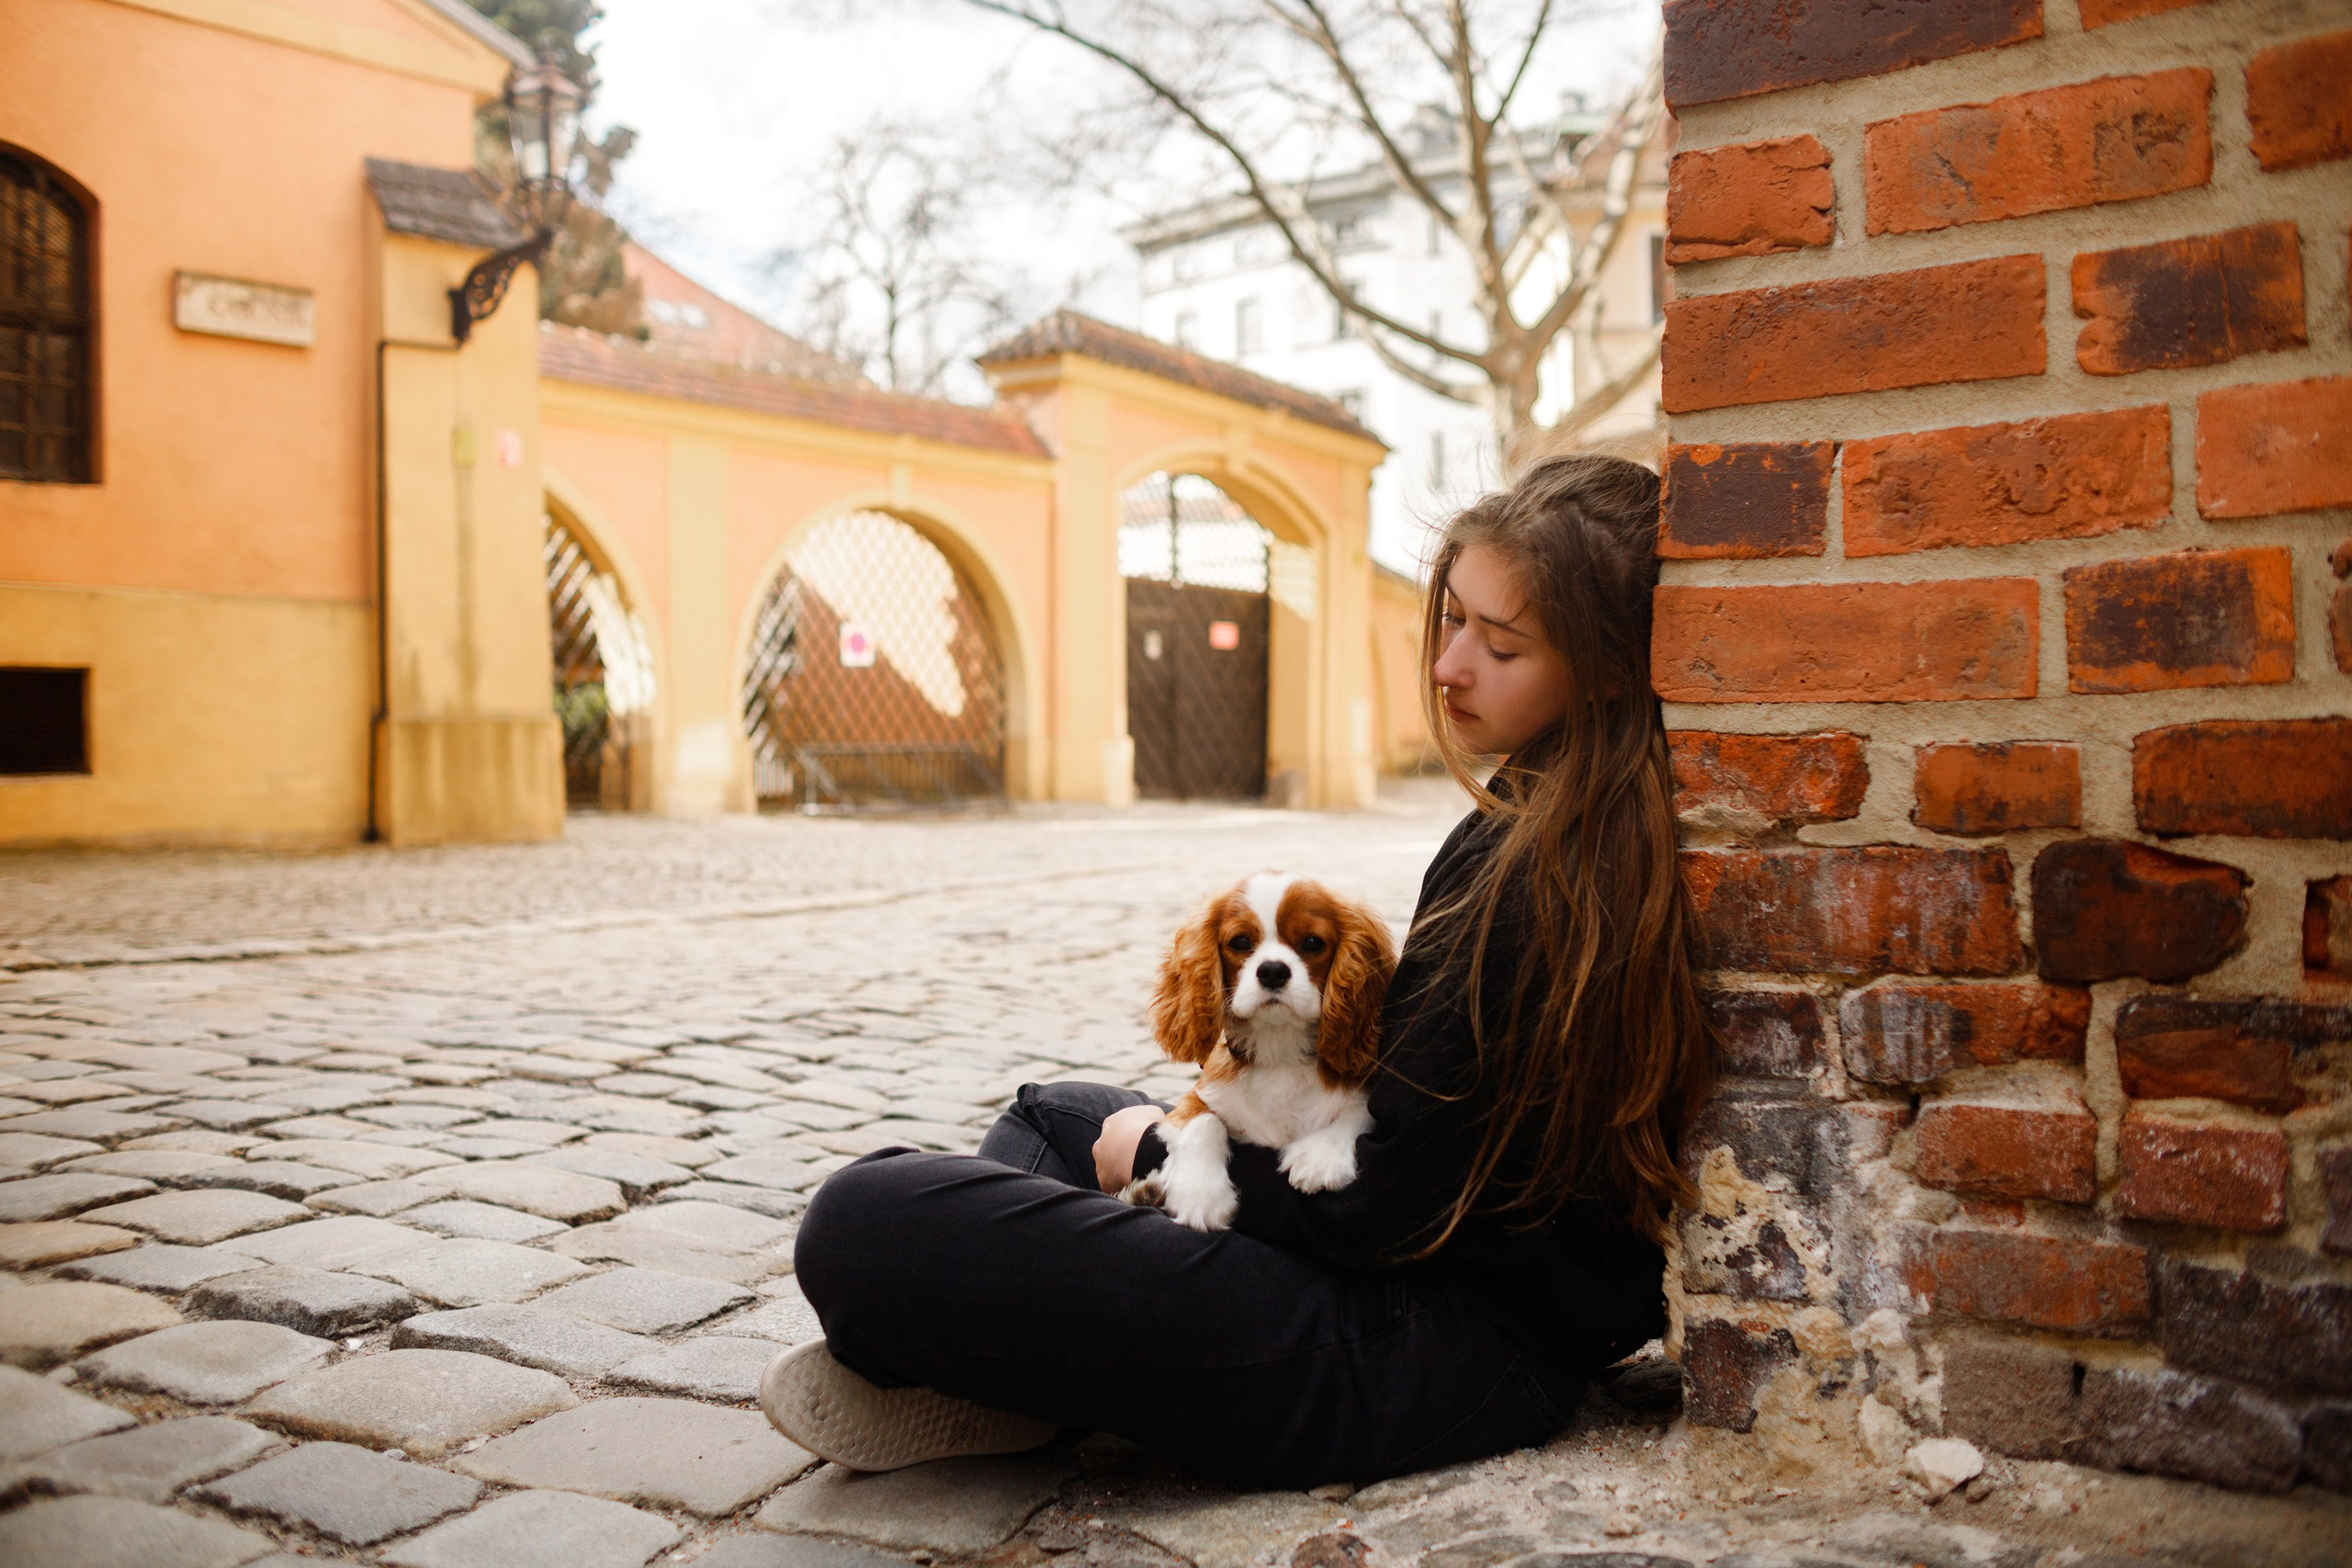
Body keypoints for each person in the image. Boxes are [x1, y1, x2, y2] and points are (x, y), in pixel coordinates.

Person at [762, 452, 1716, 1490]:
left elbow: (1386, 1206)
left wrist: (1163, 1154)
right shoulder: (1547, 818)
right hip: (1409, 1293)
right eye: (1450, 622)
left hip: (1422, 1350)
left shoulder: (1549, 875)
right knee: (1055, 1115)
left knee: (863, 1220)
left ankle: (1006, 1370)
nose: (1449, 667)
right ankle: (1019, 1379)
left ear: (1611, 668)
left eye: (1502, 645)